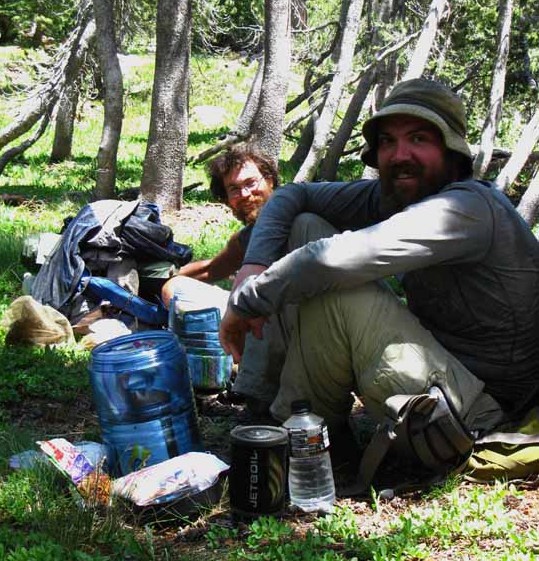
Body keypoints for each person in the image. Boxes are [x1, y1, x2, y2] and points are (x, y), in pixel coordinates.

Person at [219, 78, 539, 460]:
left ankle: (305, 443)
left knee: (335, 285)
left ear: (452, 150)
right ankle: (261, 404)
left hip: (478, 414)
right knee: (304, 223)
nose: (400, 154)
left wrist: (245, 302)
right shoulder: (399, 193)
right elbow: (292, 194)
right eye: (388, 141)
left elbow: (329, 261)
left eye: (419, 138)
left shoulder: (468, 210)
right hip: (438, 375)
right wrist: (251, 267)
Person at [162, 146, 282, 408]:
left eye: (251, 183)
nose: (246, 195)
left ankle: (231, 372)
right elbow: (212, 269)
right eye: (234, 189)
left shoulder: (296, 217)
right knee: (175, 287)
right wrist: (165, 278)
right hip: (255, 316)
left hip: (288, 320)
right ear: (227, 200)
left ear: (270, 179)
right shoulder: (246, 237)